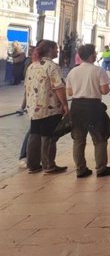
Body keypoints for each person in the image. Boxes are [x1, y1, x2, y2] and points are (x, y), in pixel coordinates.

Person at [65, 44, 110, 178]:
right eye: (94, 52)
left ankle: (80, 169)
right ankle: (101, 167)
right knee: (99, 138)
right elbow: (105, 90)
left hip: (76, 107)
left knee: (78, 140)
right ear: (91, 55)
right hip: (93, 107)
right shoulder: (98, 71)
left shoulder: (72, 72)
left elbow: (69, 92)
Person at [24, 40, 68, 174]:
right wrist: (65, 105)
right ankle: (49, 165)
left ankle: (32, 165)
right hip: (49, 106)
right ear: (50, 49)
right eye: (56, 49)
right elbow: (58, 87)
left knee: (35, 134)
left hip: (34, 107)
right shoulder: (51, 66)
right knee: (48, 135)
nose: (57, 51)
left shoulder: (32, 66)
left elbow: (26, 87)